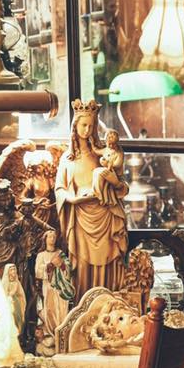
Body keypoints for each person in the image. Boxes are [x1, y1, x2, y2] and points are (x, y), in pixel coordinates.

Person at [54, 100, 129, 300]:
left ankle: (109, 305)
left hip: (106, 215)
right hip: (81, 220)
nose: (87, 130)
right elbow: (59, 189)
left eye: (91, 125)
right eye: (83, 125)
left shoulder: (104, 154)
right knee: (82, 267)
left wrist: (114, 181)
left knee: (109, 264)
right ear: (75, 126)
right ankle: (83, 307)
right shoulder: (67, 159)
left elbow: (123, 187)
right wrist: (74, 199)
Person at [91, 130, 126, 206]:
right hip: (108, 171)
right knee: (96, 172)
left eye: (113, 144)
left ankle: (103, 198)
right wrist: (92, 143)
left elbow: (118, 164)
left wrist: (109, 164)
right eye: (109, 144)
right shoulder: (106, 150)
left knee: (101, 173)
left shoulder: (119, 153)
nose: (111, 146)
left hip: (116, 175)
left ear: (117, 143)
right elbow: (96, 151)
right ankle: (99, 195)